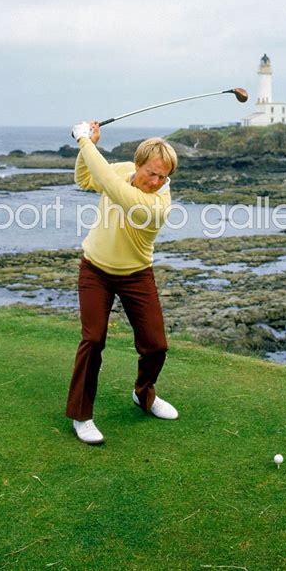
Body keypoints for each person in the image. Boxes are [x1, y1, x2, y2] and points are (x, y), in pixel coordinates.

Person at [65, 120, 179, 445]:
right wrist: (85, 147)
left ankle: (143, 394)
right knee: (93, 340)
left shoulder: (157, 205)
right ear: (138, 164)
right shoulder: (123, 169)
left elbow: (113, 188)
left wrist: (85, 141)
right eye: (151, 173)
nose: (155, 181)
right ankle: (81, 415)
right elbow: (86, 177)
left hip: (136, 274)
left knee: (156, 345)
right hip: (95, 269)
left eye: (163, 176)